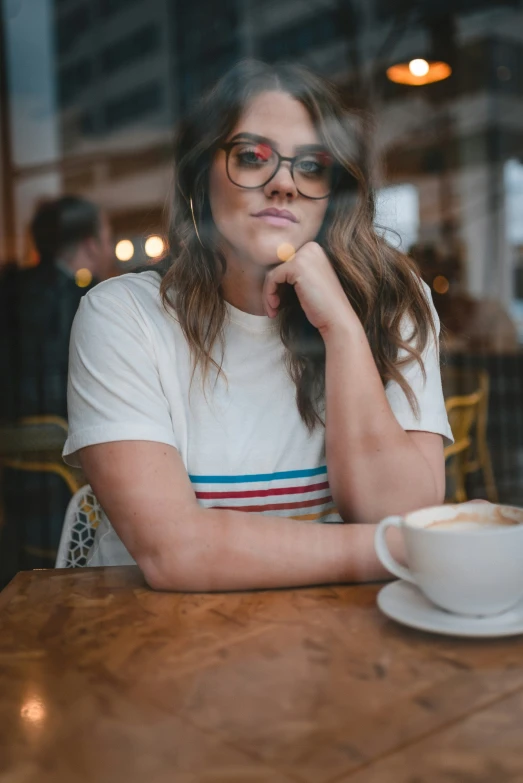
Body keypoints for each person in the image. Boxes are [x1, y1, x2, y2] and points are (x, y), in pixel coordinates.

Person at [63, 60, 453, 591]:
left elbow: (395, 508)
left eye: (313, 167)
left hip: (343, 642)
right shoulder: (123, 317)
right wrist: (404, 549)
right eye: (252, 158)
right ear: (201, 175)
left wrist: (342, 329)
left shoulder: (395, 304)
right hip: (155, 644)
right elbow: (175, 552)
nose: (285, 185)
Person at [0, 196, 114, 583]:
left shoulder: (8, 292)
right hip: (73, 492)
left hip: (13, 496)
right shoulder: (95, 304)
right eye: (107, 233)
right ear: (90, 243)